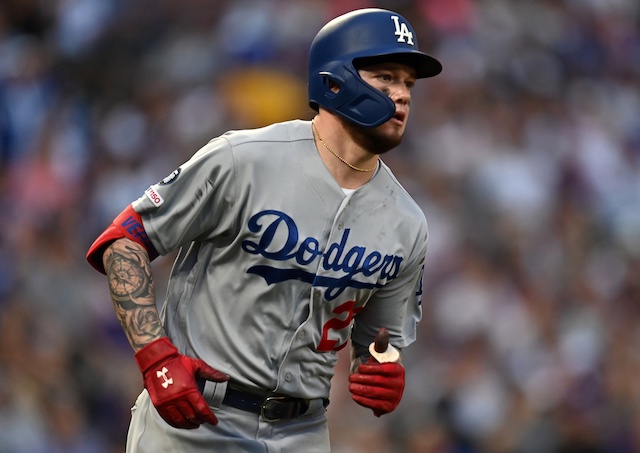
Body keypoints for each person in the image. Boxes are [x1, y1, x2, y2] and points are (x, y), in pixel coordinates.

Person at [86, 7, 442, 453]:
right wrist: (154, 355)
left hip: (304, 431)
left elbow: (377, 346)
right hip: (195, 421)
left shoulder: (406, 222)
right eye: (385, 77)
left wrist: (384, 367)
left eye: (408, 83)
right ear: (334, 80)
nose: (403, 94)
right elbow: (123, 242)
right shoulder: (243, 159)